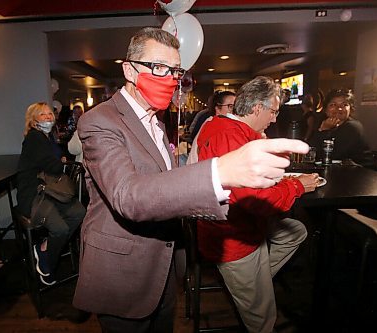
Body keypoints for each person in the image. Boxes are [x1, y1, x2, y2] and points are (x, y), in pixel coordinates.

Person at [72, 28, 311, 333]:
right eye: (158, 67)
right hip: (125, 270)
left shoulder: (155, 120)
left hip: (165, 262)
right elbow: (127, 196)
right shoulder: (100, 120)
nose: (170, 78)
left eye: (175, 70)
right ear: (129, 70)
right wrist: (219, 171)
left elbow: (167, 187)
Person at [195, 76, 319, 333]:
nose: (274, 119)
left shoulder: (228, 128)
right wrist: (297, 186)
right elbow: (259, 200)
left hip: (241, 227)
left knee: (295, 231)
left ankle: (251, 285)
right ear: (256, 108)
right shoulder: (229, 136)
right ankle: (250, 287)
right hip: (235, 238)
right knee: (263, 321)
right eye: (273, 111)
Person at [16, 102, 86, 285]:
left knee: (79, 212)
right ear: (33, 120)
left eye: (49, 114)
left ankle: (44, 247)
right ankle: (47, 261)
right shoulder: (35, 138)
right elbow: (52, 165)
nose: (48, 117)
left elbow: (55, 161)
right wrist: (62, 162)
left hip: (51, 191)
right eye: (42, 114)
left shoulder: (48, 137)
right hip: (34, 194)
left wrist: (60, 160)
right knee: (61, 229)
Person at [309, 89, 370, 161]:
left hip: (356, 170)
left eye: (344, 105)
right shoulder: (325, 124)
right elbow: (311, 151)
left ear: (350, 109)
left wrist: (324, 131)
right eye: (333, 105)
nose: (339, 108)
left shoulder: (353, 127)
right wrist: (322, 130)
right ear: (325, 110)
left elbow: (332, 156)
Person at [186, 90, 236, 164]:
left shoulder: (220, 123)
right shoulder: (213, 125)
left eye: (236, 106)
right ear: (218, 109)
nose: (234, 110)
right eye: (230, 106)